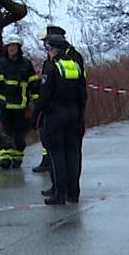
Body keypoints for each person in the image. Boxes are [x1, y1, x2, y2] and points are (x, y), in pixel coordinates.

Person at [35, 32, 86, 204]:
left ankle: (59, 194)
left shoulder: (52, 67)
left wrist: (35, 115)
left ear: (54, 50)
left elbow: (44, 95)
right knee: (73, 154)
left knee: (57, 155)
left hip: (55, 115)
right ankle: (74, 193)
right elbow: (82, 94)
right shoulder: (75, 66)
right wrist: (80, 116)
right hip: (74, 114)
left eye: (49, 48)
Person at [0, 36, 37, 170]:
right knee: (4, 134)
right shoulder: (0, 64)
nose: (12, 48)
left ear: (18, 48)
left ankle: (17, 157)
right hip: (4, 107)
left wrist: (36, 100)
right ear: (7, 48)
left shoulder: (26, 64)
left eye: (15, 46)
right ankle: (5, 159)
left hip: (20, 107)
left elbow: (33, 83)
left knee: (19, 138)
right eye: (10, 46)